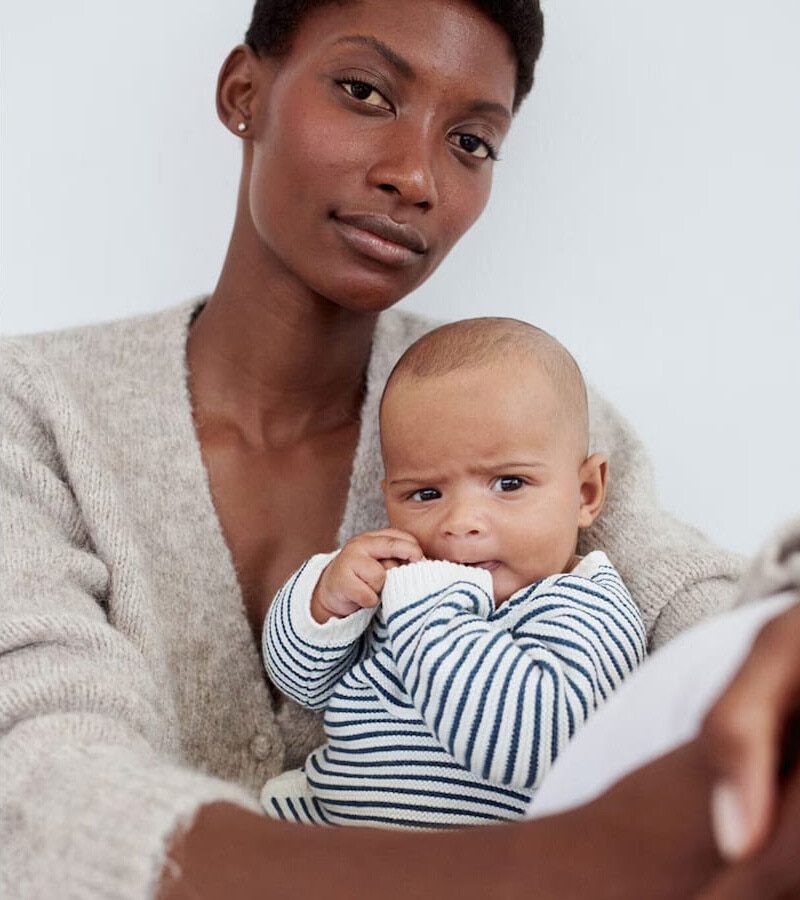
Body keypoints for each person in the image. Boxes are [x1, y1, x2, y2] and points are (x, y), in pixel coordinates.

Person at [2, 0, 779, 897]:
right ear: (243, 92)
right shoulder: (28, 410)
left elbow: (697, 604)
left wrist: (773, 641)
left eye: (473, 142)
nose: (417, 175)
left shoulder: (517, 406)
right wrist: (544, 867)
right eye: (365, 91)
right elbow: (34, 777)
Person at [261, 317, 647, 827]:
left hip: (488, 869)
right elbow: (300, 682)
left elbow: (527, 747)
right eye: (425, 494)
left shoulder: (586, 608)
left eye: (509, 483)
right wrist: (325, 599)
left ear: (585, 493)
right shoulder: (400, 578)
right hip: (328, 839)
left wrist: (429, 612)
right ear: (389, 499)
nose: (461, 524)